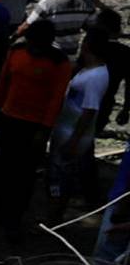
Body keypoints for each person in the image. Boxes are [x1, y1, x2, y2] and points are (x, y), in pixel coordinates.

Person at [0, 19, 74, 236]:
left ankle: (15, 218)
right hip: (9, 117)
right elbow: (3, 82)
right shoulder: (16, 51)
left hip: (34, 126)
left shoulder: (59, 63)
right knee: (1, 166)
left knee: (24, 174)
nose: (34, 49)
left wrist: (44, 130)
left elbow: (56, 100)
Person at [49, 29, 111, 208]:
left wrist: (74, 140)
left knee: (60, 175)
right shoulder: (89, 70)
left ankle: (56, 212)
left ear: (87, 46)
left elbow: (89, 111)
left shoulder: (95, 77)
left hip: (72, 133)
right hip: (67, 130)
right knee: (60, 172)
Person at [23, 0, 99, 59]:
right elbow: (93, 29)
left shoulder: (47, 3)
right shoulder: (87, 4)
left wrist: (13, 37)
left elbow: (27, 26)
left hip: (48, 56)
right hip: (71, 56)